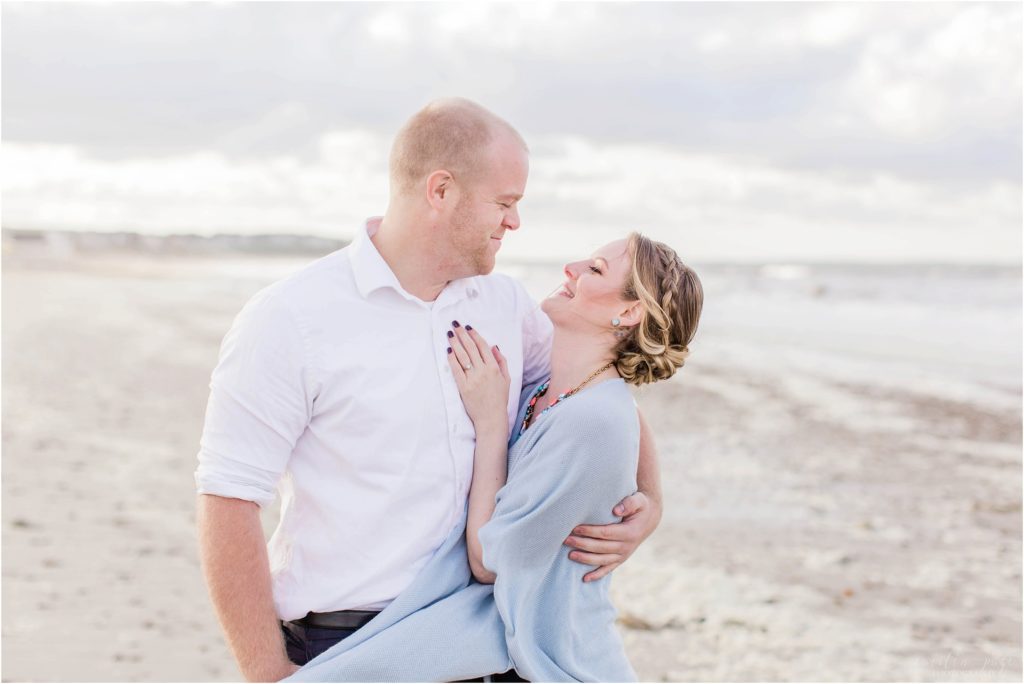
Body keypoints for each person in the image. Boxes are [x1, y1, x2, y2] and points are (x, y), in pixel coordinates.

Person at [194, 98, 664, 682]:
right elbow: (228, 497)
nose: (514, 223)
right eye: (505, 203)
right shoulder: (291, 317)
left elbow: (598, 391)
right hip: (350, 637)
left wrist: (649, 498)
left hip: (485, 637)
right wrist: (266, 670)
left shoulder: (506, 306)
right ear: (441, 191)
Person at [281, 233, 703, 682]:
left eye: (595, 269)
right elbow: (625, 412)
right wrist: (652, 500)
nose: (571, 267)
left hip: (558, 661)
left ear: (628, 312)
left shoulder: (592, 420)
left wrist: (490, 425)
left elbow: (487, 562)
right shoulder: (553, 391)